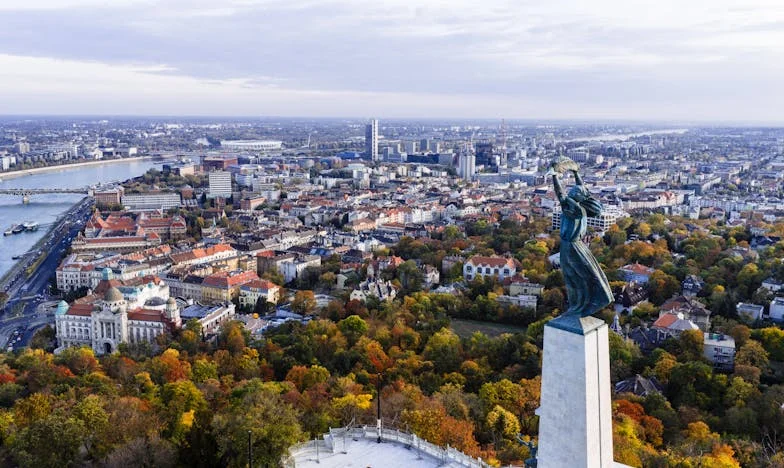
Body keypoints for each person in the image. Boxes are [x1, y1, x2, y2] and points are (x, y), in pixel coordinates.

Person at [547, 162, 613, 318]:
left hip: (570, 247)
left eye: (573, 192)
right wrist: (576, 173)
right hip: (578, 246)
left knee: (573, 277)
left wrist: (555, 176)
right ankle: (580, 305)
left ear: (575, 197)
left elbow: (560, 193)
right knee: (582, 274)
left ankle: (578, 306)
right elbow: (584, 191)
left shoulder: (574, 210)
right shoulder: (582, 208)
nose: (570, 193)